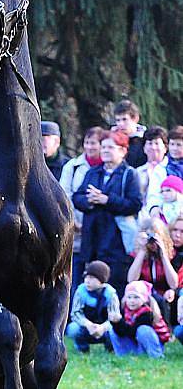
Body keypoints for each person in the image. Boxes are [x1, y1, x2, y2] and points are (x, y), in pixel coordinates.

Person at [72, 130, 142, 298]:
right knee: (89, 288)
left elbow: (135, 204)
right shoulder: (93, 172)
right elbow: (77, 197)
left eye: (110, 147)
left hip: (116, 242)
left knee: (114, 288)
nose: (104, 151)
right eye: (103, 147)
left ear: (123, 150)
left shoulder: (129, 174)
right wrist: (90, 200)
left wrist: (107, 200)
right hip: (92, 240)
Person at [60, 127, 104, 300]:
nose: (90, 147)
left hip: (99, 230)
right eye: (87, 143)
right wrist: (72, 222)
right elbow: (65, 195)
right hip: (76, 229)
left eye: (93, 143)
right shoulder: (73, 166)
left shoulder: (106, 166)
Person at [127, 218, 180, 321]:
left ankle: (167, 330)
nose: (152, 242)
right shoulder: (134, 257)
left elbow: (174, 284)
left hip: (165, 298)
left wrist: (164, 255)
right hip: (142, 298)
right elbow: (131, 281)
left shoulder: (173, 256)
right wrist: (142, 250)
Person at [66, 260, 119, 352]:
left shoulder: (110, 294)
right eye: (86, 277)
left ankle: (111, 348)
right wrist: (88, 325)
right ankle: (82, 348)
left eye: (91, 278)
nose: (87, 281)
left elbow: (114, 317)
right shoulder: (81, 291)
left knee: (114, 330)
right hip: (86, 326)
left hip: (104, 327)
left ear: (101, 280)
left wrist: (102, 328)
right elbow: (75, 313)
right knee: (73, 329)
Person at [108, 280, 170, 358]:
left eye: (136, 297)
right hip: (136, 344)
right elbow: (122, 332)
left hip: (150, 345)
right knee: (112, 330)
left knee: (143, 329)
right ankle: (123, 356)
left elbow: (132, 332)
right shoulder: (125, 310)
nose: (132, 301)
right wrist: (115, 323)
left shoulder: (148, 313)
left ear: (144, 299)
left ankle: (156, 355)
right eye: (129, 297)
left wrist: (119, 322)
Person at [147, 126, 183, 216]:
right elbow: (154, 194)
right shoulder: (161, 168)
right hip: (166, 213)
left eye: (179, 145)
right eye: (172, 144)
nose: (174, 149)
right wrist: (154, 208)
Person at [135, 126, 168, 214]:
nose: (153, 147)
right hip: (141, 216)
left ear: (165, 148)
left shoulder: (170, 169)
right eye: (149, 143)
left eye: (157, 143)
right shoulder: (138, 172)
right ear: (144, 148)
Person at [113, 99, 147, 168]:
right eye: (118, 120)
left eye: (124, 119)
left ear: (136, 119)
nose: (121, 124)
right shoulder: (111, 140)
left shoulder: (146, 140)